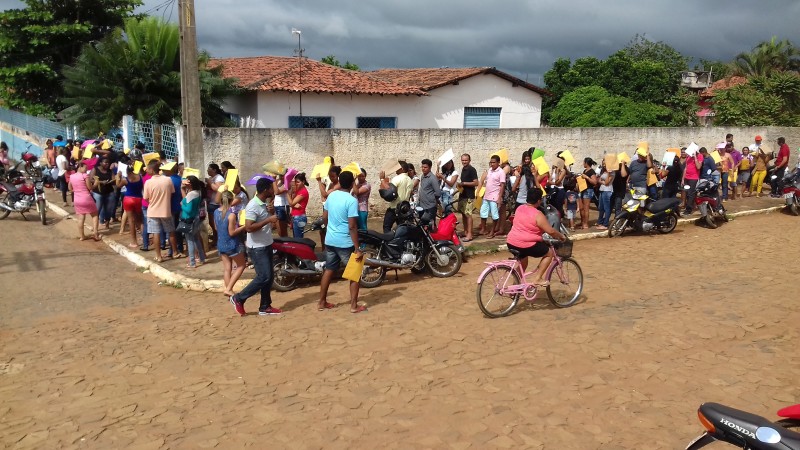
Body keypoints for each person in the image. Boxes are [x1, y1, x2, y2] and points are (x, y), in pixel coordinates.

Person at [229, 177, 282, 317]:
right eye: (271, 188)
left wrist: (271, 213)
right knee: (264, 276)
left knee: (269, 277)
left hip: (266, 244)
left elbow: (272, 223)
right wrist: (268, 220)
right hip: (257, 248)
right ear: (265, 190)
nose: (273, 190)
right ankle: (238, 298)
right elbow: (248, 227)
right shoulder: (253, 205)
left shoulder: (264, 204)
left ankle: (265, 306)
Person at [317, 171, 366, 314]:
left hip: (330, 240)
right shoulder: (351, 200)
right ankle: (353, 306)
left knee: (329, 270)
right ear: (352, 183)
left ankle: (321, 302)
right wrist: (357, 247)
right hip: (345, 242)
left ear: (339, 181)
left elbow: (324, 217)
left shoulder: (331, 196)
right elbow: (352, 226)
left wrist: (329, 229)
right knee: (354, 273)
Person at [506, 189, 566, 286]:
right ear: (539, 201)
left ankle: (515, 285)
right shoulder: (538, 214)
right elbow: (551, 231)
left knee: (523, 261)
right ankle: (538, 279)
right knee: (549, 254)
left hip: (511, 241)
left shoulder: (520, 208)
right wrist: (561, 236)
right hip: (526, 244)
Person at [143, 163, 178, 263]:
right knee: (171, 231)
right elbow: (172, 192)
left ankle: (158, 256)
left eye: (148, 169)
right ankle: (175, 252)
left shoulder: (148, 182)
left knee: (156, 233)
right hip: (166, 210)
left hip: (153, 211)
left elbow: (146, 197)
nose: (146, 171)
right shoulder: (167, 180)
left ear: (152, 170)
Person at [216, 191, 247, 297]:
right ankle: (229, 289)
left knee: (227, 268)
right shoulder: (231, 215)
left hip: (221, 243)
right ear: (231, 200)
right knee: (241, 265)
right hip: (232, 245)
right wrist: (243, 227)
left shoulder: (216, 212)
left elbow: (216, 228)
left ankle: (228, 289)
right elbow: (232, 232)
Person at [68, 161, 101, 241]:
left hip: (77, 199)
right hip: (86, 197)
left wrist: (76, 190)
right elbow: (90, 187)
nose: (86, 170)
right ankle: (96, 234)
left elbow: (69, 188)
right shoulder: (85, 175)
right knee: (95, 215)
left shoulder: (72, 176)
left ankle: (82, 236)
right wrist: (96, 183)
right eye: (85, 168)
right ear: (80, 167)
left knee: (81, 217)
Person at [180, 175, 206, 268]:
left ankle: (192, 262)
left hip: (189, 218)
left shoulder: (191, 194)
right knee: (196, 239)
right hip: (196, 217)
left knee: (190, 241)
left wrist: (182, 205)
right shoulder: (198, 192)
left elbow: (188, 209)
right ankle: (202, 258)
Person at [379, 162, 413, 233]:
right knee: (402, 228)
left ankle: (388, 242)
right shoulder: (410, 180)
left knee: (387, 227)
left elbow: (389, 191)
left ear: (402, 169)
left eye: (397, 168)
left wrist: (382, 179)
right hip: (404, 208)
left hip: (394, 207)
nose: (395, 170)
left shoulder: (397, 178)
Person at [477, 155, 505, 238]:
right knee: (483, 213)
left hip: (494, 197)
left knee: (494, 215)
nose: (492, 164)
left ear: (498, 163)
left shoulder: (501, 172)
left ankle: (492, 232)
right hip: (486, 196)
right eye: (491, 162)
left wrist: (499, 198)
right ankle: (484, 229)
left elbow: (502, 185)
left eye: (494, 162)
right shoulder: (489, 170)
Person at [116, 164, 144, 248]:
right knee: (140, 220)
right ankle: (144, 238)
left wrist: (118, 177)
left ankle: (134, 242)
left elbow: (118, 185)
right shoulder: (140, 177)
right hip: (138, 199)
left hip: (128, 199)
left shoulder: (126, 179)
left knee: (131, 221)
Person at [89, 157, 116, 230]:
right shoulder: (95, 169)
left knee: (109, 210)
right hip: (98, 192)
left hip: (109, 192)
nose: (107, 164)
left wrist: (114, 180)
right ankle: (95, 226)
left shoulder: (110, 171)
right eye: (105, 162)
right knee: (97, 210)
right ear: (100, 163)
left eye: (108, 162)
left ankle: (107, 224)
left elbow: (114, 180)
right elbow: (90, 179)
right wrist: (101, 182)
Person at [456, 154, 479, 242]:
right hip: (463, 195)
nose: (464, 162)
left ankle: (470, 234)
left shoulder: (472, 170)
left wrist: (464, 183)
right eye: (463, 160)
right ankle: (465, 232)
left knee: (468, 215)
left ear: (469, 160)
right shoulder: (463, 169)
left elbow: (476, 183)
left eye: (466, 160)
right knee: (463, 214)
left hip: (469, 196)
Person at [139, 161, 158, 251]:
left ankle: (145, 245)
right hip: (156, 204)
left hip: (146, 203)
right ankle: (162, 244)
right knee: (159, 224)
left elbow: (144, 194)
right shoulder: (160, 178)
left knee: (147, 224)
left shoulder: (144, 178)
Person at [205, 163, 225, 247]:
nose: (207, 170)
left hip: (217, 204)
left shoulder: (219, 178)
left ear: (214, 170)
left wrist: (210, 182)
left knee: (217, 224)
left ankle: (220, 240)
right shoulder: (211, 178)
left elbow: (218, 189)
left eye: (209, 169)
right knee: (212, 223)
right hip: (211, 203)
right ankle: (215, 239)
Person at [577, 158, 598, 229]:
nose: (583, 163)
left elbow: (594, 182)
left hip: (588, 190)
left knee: (586, 208)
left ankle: (586, 223)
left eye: (583, 162)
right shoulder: (585, 170)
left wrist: (586, 177)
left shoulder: (592, 172)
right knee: (581, 208)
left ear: (586, 163)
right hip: (582, 189)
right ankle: (582, 222)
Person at [288, 172, 309, 238]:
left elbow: (291, 203)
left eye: (298, 182)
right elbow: (292, 203)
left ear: (303, 182)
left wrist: (286, 193)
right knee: (297, 239)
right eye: (295, 182)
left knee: (298, 240)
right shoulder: (299, 190)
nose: (296, 184)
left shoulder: (303, 192)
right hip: (296, 217)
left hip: (299, 218)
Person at [683, 149, 703, 215]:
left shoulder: (699, 156)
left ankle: (688, 209)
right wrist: (683, 178)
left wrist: (695, 157)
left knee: (691, 194)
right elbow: (686, 168)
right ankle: (690, 206)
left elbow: (698, 167)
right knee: (687, 193)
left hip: (693, 178)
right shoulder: (688, 156)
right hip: (687, 178)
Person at [596, 160, 614, 230]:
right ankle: (600, 221)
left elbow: (606, 182)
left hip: (607, 191)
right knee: (601, 207)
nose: (604, 166)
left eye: (605, 164)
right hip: (602, 190)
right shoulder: (604, 171)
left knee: (606, 208)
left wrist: (608, 174)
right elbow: (599, 180)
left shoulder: (612, 173)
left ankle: (605, 224)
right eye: (603, 164)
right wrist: (603, 182)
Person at [273, 172, 290, 237]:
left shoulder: (287, 183)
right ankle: (282, 242)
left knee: (283, 229)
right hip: (276, 205)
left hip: (283, 206)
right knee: (278, 228)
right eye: (280, 175)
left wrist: (273, 180)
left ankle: (286, 242)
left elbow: (277, 192)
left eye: (283, 175)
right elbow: (273, 193)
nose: (281, 177)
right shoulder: (278, 181)